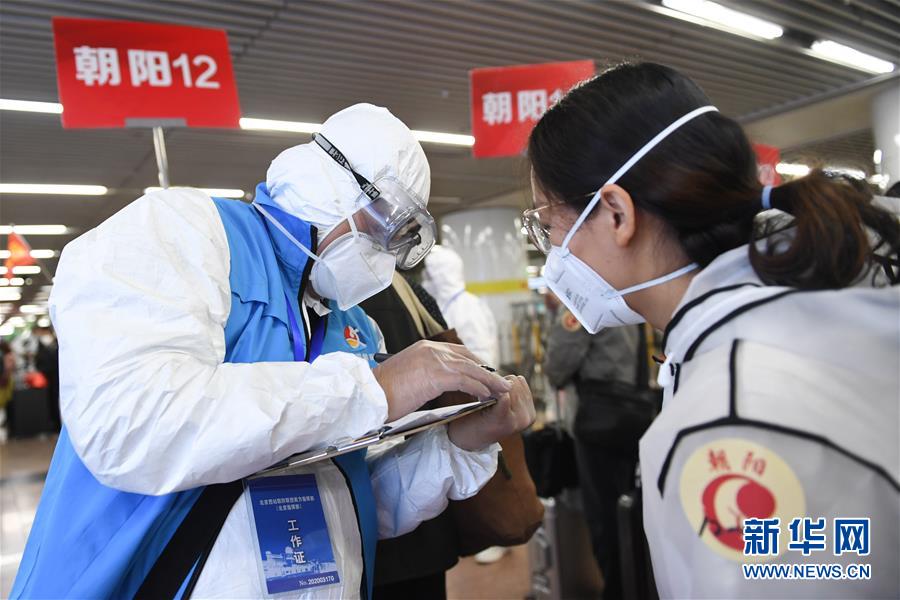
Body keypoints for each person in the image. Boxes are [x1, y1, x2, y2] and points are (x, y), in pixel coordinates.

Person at [12, 103, 535, 599]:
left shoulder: (350, 325)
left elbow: (353, 500)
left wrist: (459, 444)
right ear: (327, 186)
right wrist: (375, 389)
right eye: (381, 226)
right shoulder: (179, 234)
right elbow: (134, 423)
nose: (384, 259)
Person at [523, 62, 899, 598]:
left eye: (547, 222)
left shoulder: (732, 419)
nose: (552, 250)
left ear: (615, 213)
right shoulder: (781, 325)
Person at [544, 310, 640, 600]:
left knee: (604, 516)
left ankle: (617, 590)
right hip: (634, 414)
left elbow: (557, 367)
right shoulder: (625, 297)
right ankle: (635, 584)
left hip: (598, 421)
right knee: (630, 510)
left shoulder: (582, 304)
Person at [422, 245, 500, 367]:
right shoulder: (446, 305)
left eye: (429, 276)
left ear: (442, 276)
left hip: (472, 382)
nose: (426, 281)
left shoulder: (468, 307)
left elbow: (482, 356)